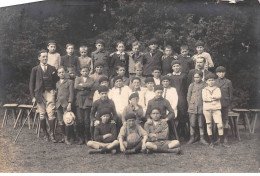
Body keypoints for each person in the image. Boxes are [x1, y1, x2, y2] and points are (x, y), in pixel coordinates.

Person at [29, 49, 59, 142]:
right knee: (42, 114)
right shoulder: (35, 69)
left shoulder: (52, 68)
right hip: (39, 94)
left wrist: (54, 90)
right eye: (43, 56)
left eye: (46, 56)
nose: (45, 58)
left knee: (51, 114)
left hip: (50, 93)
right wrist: (33, 97)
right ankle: (45, 133)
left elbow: (56, 80)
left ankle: (52, 134)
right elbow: (31, 84)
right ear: (39, 58)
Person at [202, 73, 225, 148]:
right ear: (206, 82)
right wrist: (213, 98)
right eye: (209, 80)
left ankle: (221, 142)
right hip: (207, 109)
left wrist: (210, 98)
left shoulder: (217, 89)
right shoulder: (204, 90)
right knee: (209, 125)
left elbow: (219, 96)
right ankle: (211, 142)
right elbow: (204, 98)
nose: (211, 82)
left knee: (220, 125)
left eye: (212, 80)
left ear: (214, 81)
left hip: (216, 108)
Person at [74, 66, 95, 145]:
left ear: (88, 72)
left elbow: (91, 85)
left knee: (87, 120)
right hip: (79, 100)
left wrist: (82, 85)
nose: (85, 73)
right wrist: (86, 86)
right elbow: (76, 86)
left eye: (86, 71)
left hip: (87, 100)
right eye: (83, 71)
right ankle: (81, 137)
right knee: (80, 120)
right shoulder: (78, 79)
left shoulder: (91, 79)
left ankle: (87, 137)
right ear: (80, 72)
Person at [169, 60, 189, 140]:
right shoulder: (170, 77)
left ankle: (182, 133)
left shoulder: (184, 75)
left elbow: (186, 87)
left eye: (177, 66)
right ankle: (173, 133)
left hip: (182, 96)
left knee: (182, 114)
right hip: (173, 96)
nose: (176, 67)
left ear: (180, 66)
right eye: (174, 66)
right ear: (172, 68)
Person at [187, 71, 207, 145]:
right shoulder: (191, 85)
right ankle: (192, 138)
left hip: (201, 107)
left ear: (201, 77)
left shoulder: (205, 85)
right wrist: (190, 105)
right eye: (195, 77)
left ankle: (202, 138)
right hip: (192, 107)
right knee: (192, 123)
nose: (196, 79)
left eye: (198, 77)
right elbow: (188, 96)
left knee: (201, 124)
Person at [55, 66, 74, 144]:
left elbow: (71, 94)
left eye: (62, 72)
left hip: (66, 104)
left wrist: (69, 103)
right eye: (59, 72)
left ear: (65, 73)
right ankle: (63, 136)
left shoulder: (69, 82)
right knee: (60, 121)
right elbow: (57, 94)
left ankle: (67, 138)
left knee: (68, 120)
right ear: (58, 74)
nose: (61, 74)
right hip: (58, 104)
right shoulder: (57, 83)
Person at [215, 66, 233, 144]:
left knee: (225, 121)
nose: (221, 74)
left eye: (223, 72)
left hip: (225, 104)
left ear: (225, 73)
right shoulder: (214, 82)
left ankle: (225, 137)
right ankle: (219, 137)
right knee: (218, 121)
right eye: (219, 72)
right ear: (216, 73)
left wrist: (229, 105)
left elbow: (231, 95)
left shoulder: (228, 82)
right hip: (216, 104)